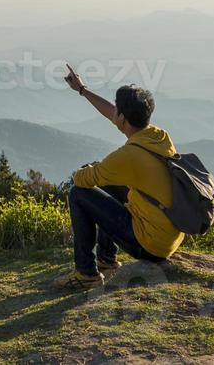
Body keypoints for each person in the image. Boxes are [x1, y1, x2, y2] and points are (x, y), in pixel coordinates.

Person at [54, 66, 185, 291]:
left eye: (118, 112)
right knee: (110, 182)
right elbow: (112, 113)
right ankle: (106, 260)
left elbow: (81, 180)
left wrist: (86, 169)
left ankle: (86, 274)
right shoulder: (157, 136)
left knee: (78, 193)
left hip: (150, 246)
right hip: (167, 236)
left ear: (123, 118)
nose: (114, 115)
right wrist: (82, 90)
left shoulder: (128, 156)